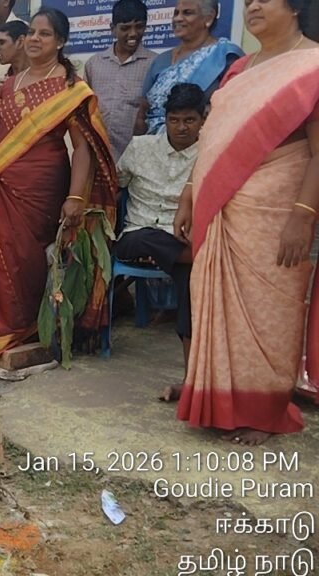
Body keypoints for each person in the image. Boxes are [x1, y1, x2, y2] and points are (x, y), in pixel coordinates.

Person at [170, 0, 319, 445]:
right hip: (219, 204)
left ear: (295, 8)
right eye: (248, 0)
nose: (252, 6)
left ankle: (265, 410)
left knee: (268, 308)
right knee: (214, 301)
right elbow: (213, 141)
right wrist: (189, 192)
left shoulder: (312, 66)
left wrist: (303, 214)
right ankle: (218, 400)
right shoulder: (240, 70)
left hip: (277, 207)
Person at [0, 8, 117, 366]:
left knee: (27, 262)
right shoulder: (9, 83)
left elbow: (82, 148)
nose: (36, 39)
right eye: (33, 32)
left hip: (40, 188)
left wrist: (75, 197)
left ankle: (23, 333)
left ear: (61, 42)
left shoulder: (71, 88)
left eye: (45, 34)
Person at [114, 83, 204, 395]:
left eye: (189, 120)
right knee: (146, 240)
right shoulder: (140, 147)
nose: (181, 127)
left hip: (180, 240)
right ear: (165, 119)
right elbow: (115, 184)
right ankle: (198, 255)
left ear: (203, 120)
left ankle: (192, 379)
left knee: (191, 285)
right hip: (137, 234)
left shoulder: (209, 154)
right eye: (174, 120)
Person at [137, 0, 243, 135]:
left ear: (208, 18)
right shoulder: (161, 60)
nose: (178, 18)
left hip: (202, 142)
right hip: (153, 143)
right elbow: (143, 106)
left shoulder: (225, 55)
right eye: (176, 13)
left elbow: (235, 109)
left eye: (187, 13)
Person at [84, 0, 154, 157]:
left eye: (139, 26)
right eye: (125, 28)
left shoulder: (154, 64)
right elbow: (85, 110)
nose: (133, 33)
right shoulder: (94, 64)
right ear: (113, 29)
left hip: (136, 157)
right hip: (98, 155)